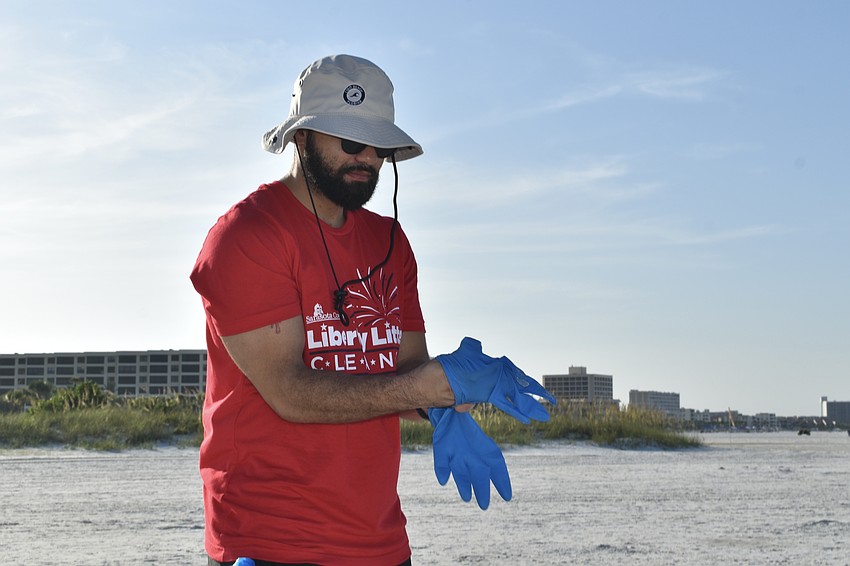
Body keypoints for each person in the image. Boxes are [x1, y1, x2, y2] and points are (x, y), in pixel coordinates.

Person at [190, 54, 553, 566]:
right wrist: (421, 387)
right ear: (301, 137)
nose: (366, 158)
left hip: (379, 543)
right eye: (349, 141)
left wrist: (447, 397)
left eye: (378, 146)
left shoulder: (389, 241)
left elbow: (403, 377)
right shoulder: (246, 238)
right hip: (269, 541)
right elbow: (289, 393)